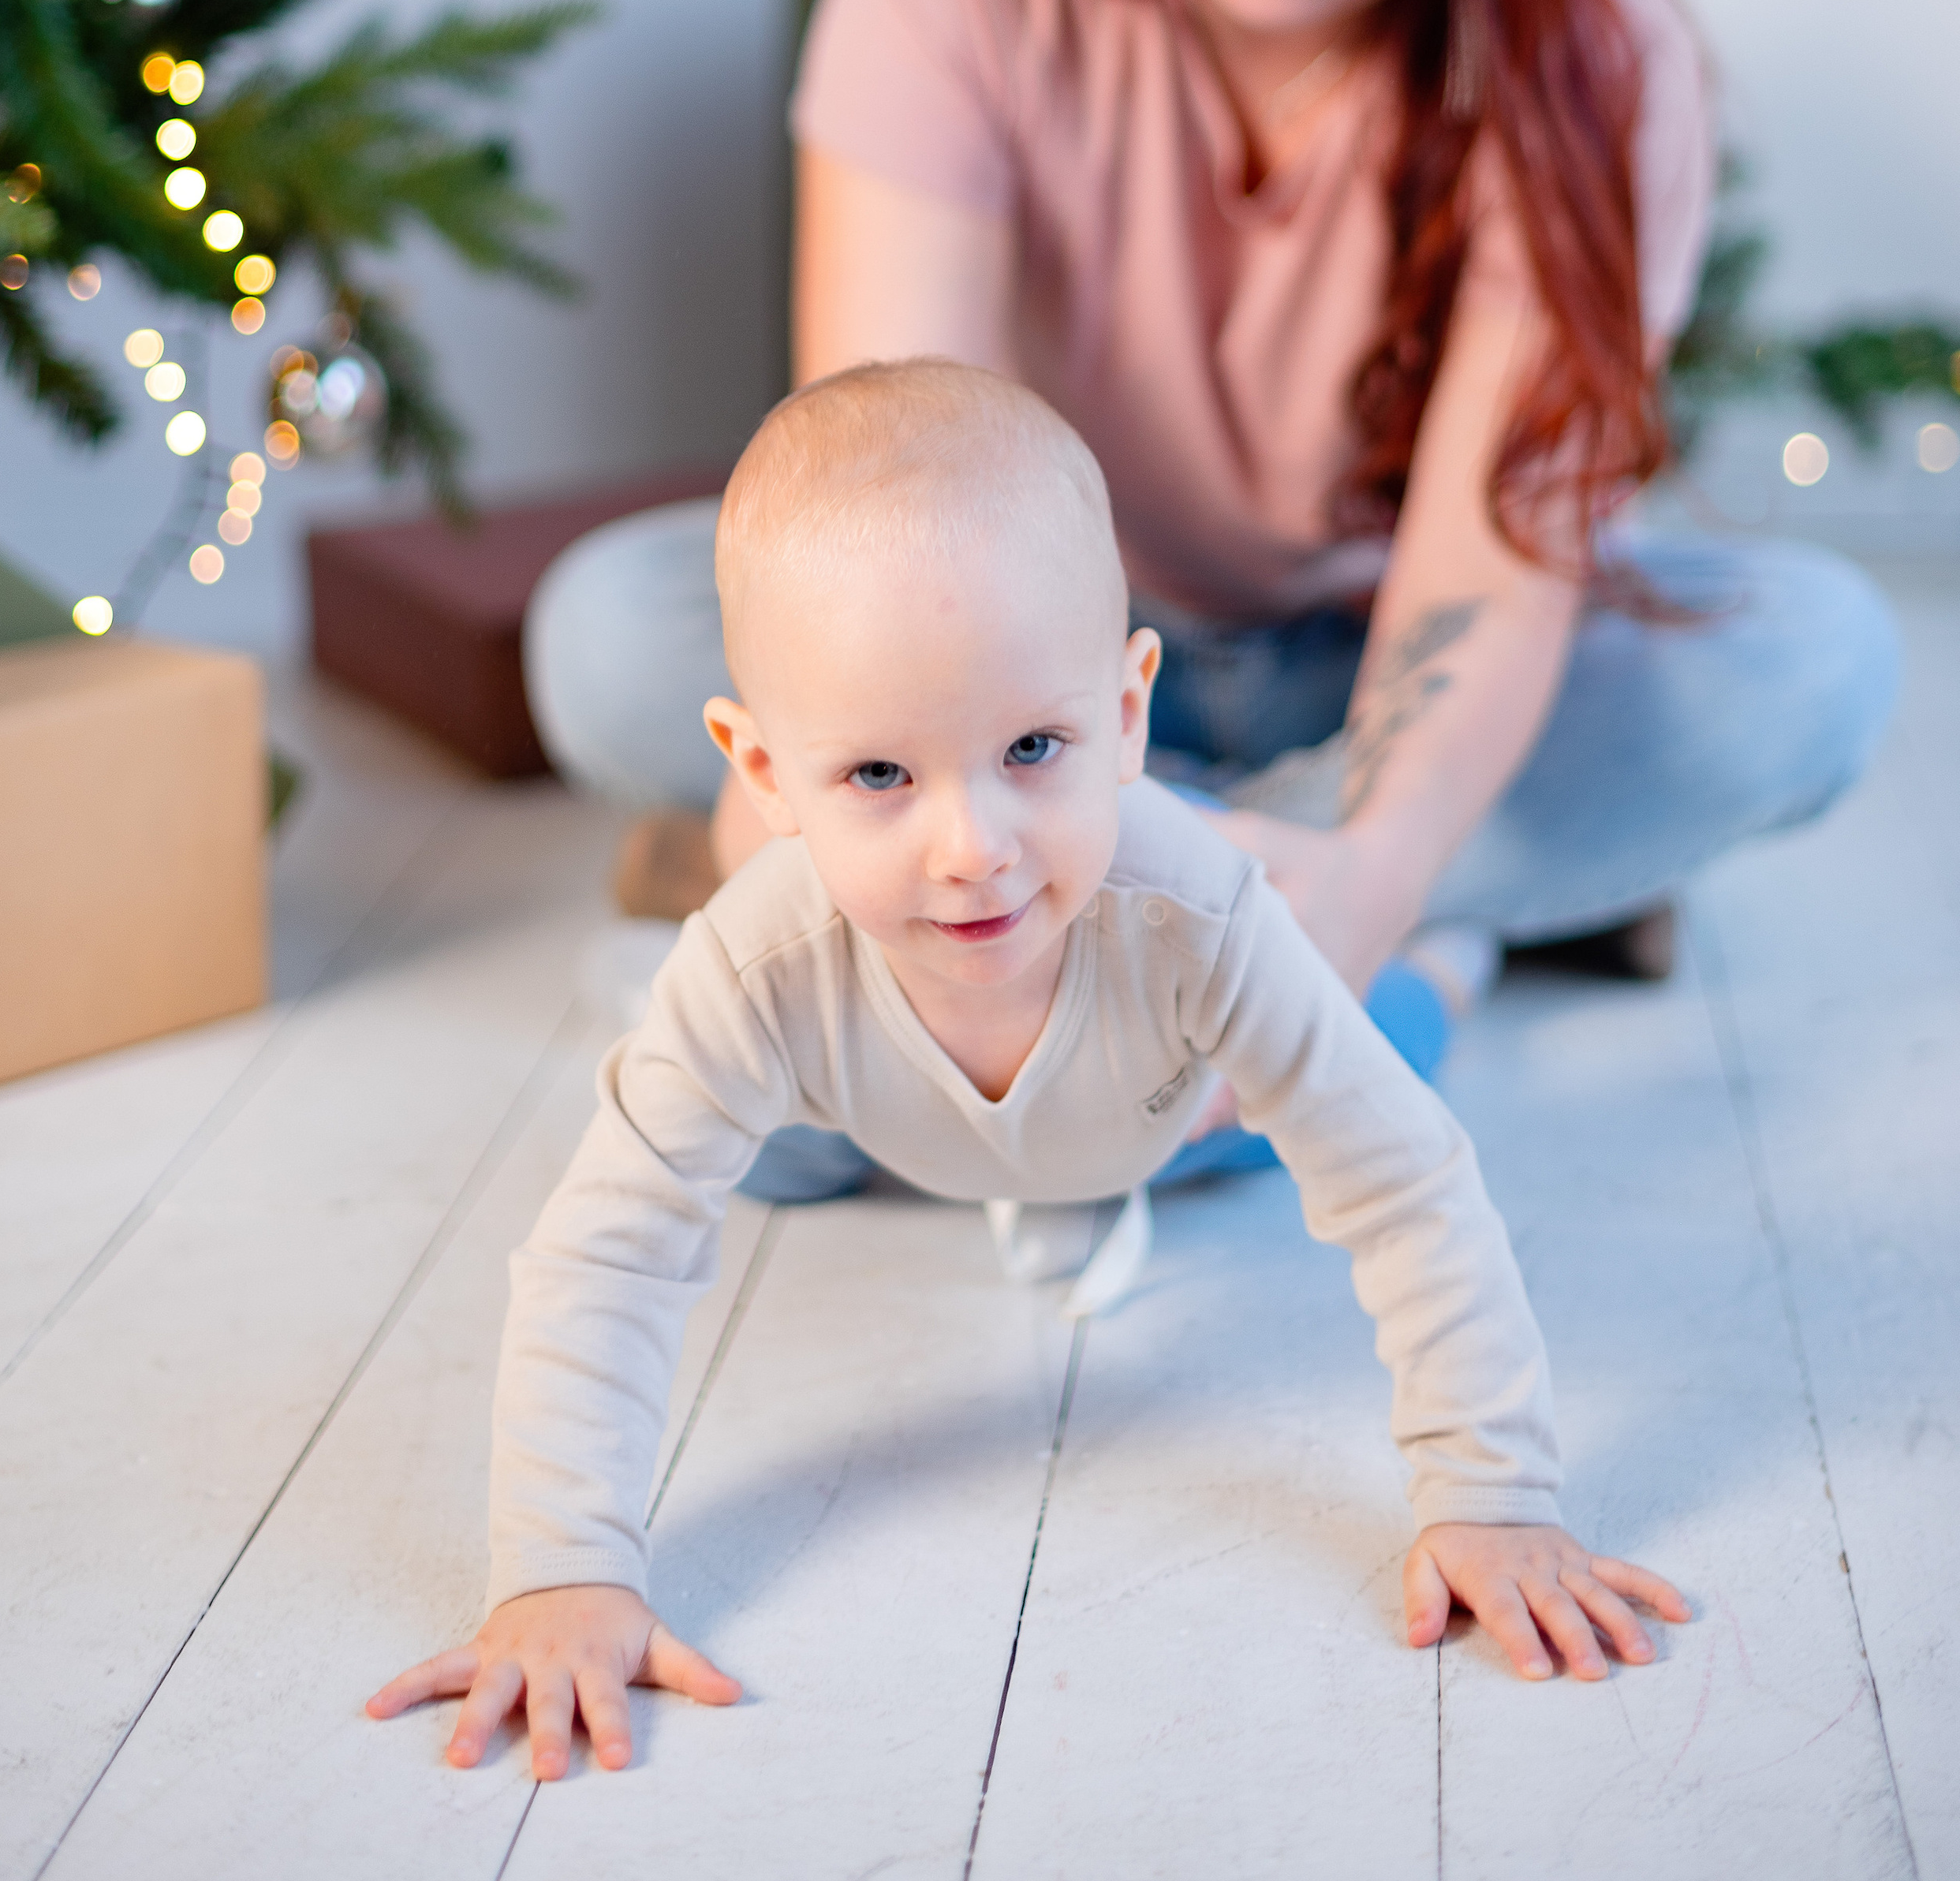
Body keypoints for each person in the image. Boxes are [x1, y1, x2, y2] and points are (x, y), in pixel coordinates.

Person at [528, 0, 1898, 1080]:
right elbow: (900, 508)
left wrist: (1382, 847)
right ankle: (1418, 929)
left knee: (1810, 665)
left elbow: (1493, 561)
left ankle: (1184, 897)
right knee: (611, 632)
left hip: (1372, 668)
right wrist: (1041, 765)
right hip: (1029, 685)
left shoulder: (1597, 54)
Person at [369, 363, 1688, 1779]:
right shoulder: (757, 965)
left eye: (1034, 747)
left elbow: (1402, 1180)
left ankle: (1453, 939)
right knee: (766, 1140)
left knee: (1352, 1061)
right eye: (880, 774)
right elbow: (610, 1252)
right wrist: (564, 1563)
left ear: (1125, 710)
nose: (974, 850)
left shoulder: (1202, 922)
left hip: (1173, 1107)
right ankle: (730, 910)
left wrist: (1493, 1490)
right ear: (760, 772)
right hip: (897, 1098)